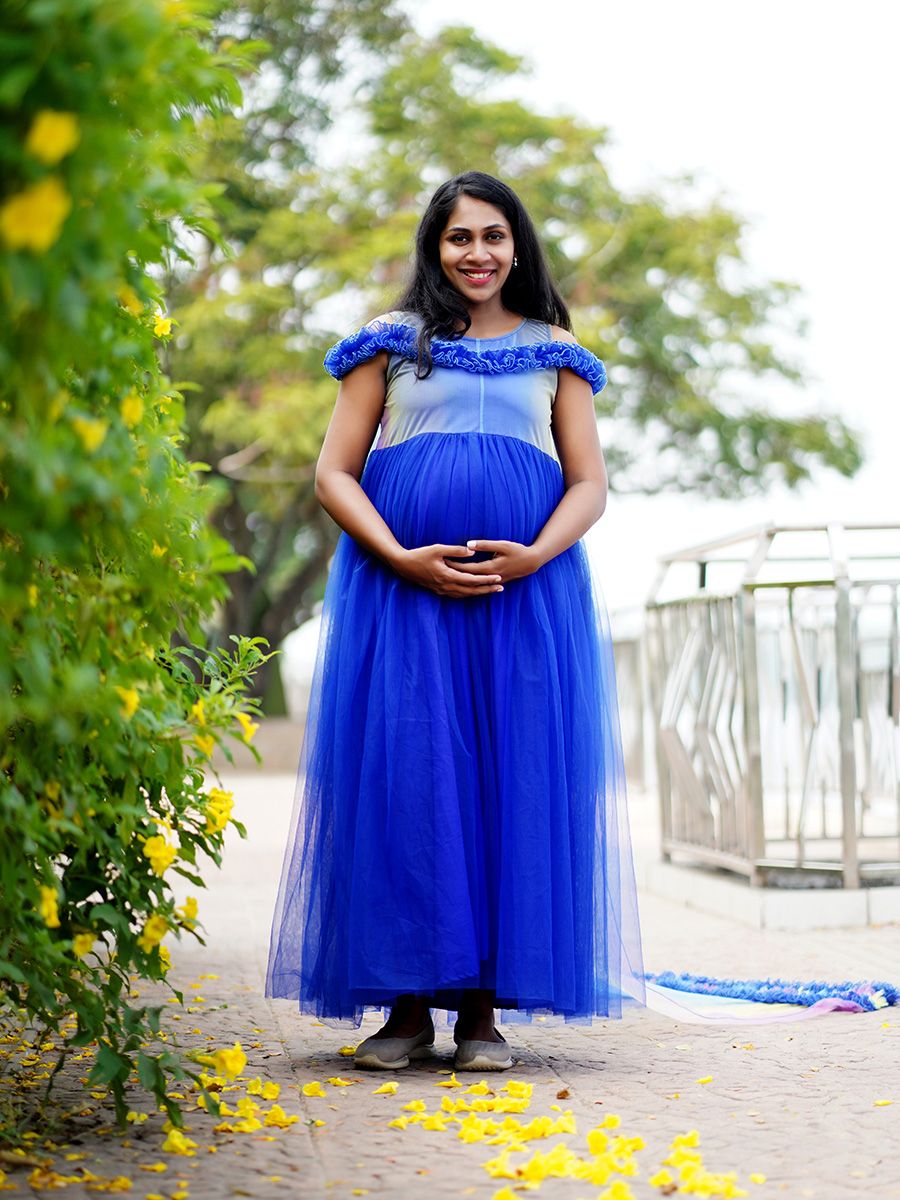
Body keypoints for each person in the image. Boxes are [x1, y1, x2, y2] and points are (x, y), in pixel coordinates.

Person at [265, 169, 645, 1071]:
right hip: (401, 600)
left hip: (522, 603)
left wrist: (533, 554)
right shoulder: (393, 344)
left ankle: (480, 1016)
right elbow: (334, 472)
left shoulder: (557, 350)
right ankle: (403, 1013)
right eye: (460, 238)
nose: (478, 254)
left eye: (494, 237)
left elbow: (589, 482)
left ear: (519, 247)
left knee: (504, 788)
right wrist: (399, 556)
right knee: (408, 782)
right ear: (434, 248)